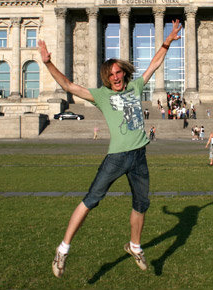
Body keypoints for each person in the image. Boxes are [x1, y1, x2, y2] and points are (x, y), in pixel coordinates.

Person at [40, 19, 182, 279]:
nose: (115, 77)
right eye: (110, 75)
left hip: (139, 156)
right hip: (116, 158)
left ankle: (135, 246)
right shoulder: (102, 96)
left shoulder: (136, 87)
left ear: (124, 74)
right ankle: (63, 249)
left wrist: (168, 40)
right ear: (106, 79)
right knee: (91, 199)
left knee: (142, 204)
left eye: (118, 73)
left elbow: (155, 63)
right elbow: (69, 86)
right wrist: (49, 63)